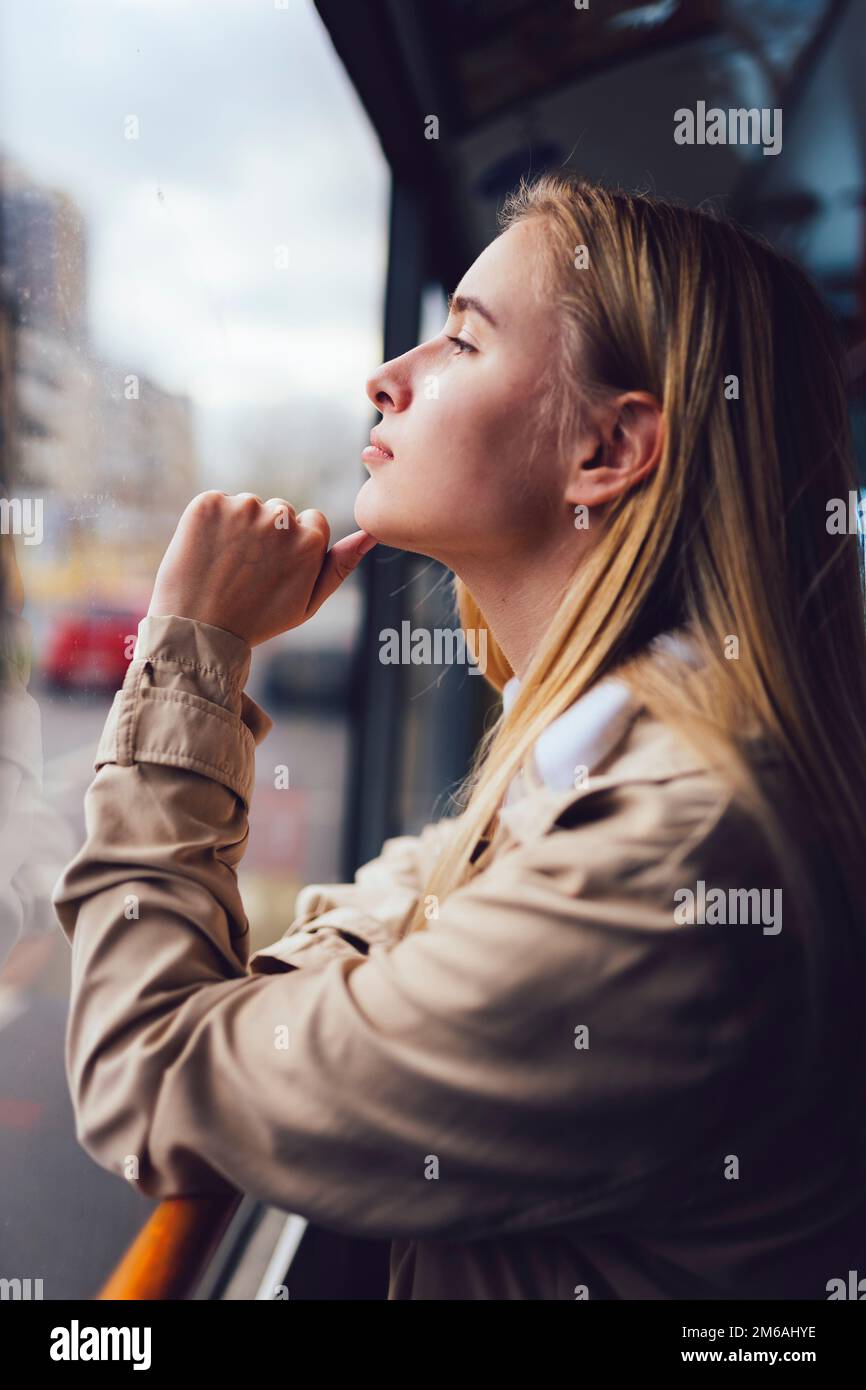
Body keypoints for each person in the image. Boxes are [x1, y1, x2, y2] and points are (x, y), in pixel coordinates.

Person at [51, 175, 866, 1300]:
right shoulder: (615, 765)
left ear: (608, 449)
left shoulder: (666, 865)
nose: (387, 380)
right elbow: (406, 906)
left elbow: (145, 1081)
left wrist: (191, 651)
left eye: (460, 344)